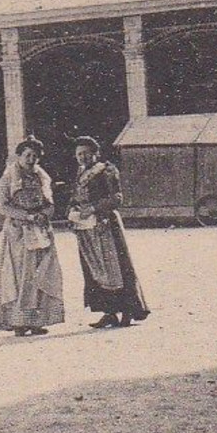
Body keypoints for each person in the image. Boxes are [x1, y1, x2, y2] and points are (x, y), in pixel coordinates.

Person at [68, 137, 151, 329]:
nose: (83, 157)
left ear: (95, 153)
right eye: (79, 154)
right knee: (96, 268)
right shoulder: (81, 173)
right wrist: (72, 211)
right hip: (87, 228)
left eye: (86, 153)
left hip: (106, 224)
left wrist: (94, 209)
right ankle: (109, 312)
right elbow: (75, 198)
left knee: (116, 267)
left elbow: (117, 198)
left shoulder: (106, 170)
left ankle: (128, 310)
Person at [0, 137, 67, 336]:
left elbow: (50, 203)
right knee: (20, 274)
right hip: (18, 231)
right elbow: (2, 205)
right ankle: (18, 321)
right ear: (19, 156)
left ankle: (35, 321)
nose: (31, 159)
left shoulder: (41, 177)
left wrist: (43, 215)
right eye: (27, 155)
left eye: (35, 156)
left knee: (40, 273)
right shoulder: (9, 177)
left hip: (40, 230)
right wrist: (26, 216)